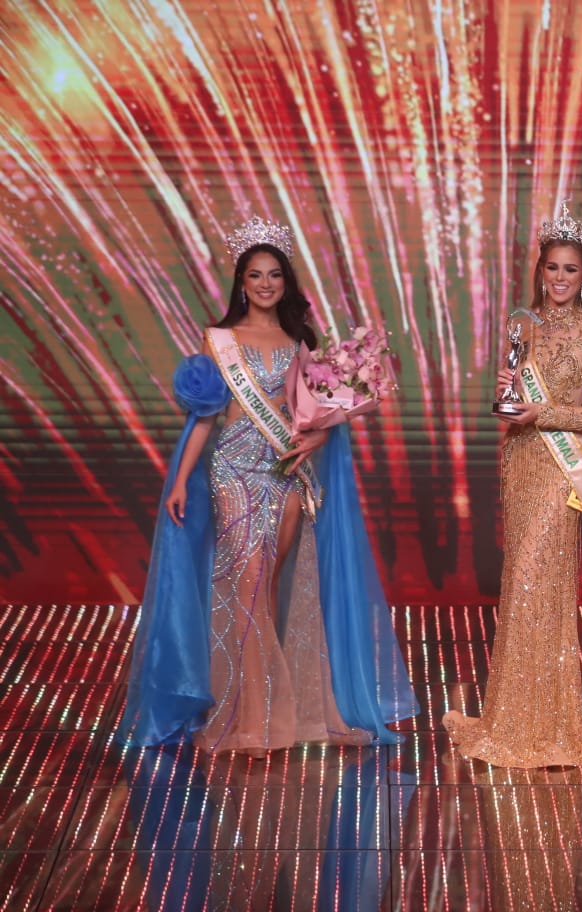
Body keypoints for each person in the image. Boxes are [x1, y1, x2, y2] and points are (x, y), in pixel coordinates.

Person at [119, 215, 417, 755]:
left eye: (274, 275)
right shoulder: (220, 342)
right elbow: (206, 418)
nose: (264, 284)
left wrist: (319, 443)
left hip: (285, 475)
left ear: (286, 282)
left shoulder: (300, 341)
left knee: (269, 589)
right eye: (255, 275)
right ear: (241, 282)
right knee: (247, 588)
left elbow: (316, 415)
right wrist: (181, 481)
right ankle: (251, 720)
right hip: (232, 471)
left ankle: (278, 707)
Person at [442, 199, 582, 768]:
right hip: (520, 463)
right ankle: (513, 717)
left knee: (539, 584)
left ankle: (548, 720)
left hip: (560, 470)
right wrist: (512, 400)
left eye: (571, 269)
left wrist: (545, 413)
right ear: (540, 270)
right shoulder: (522, 322)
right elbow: (511, 400)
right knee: (521, 584)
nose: (560, 278)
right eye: (552, 268)